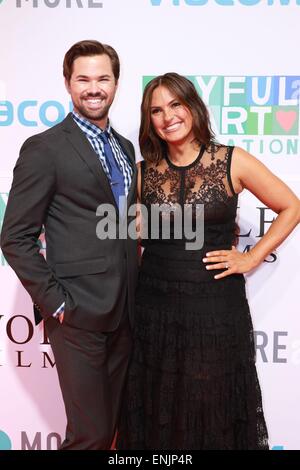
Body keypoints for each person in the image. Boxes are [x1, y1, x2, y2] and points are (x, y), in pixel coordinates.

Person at [116, 72, 300, 450]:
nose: (167, 116)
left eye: (175, 104)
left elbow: (291, 206)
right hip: (155, 311)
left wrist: (251, 258)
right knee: (157, 405)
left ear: (193, 107)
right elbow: (127, 235)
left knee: (212, 404)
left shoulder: (233, 161)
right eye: (156, 110)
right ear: (148, 120)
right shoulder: (141, 173)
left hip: (215, 309)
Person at [0, 40, 138, 450]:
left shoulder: (124, 148)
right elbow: (15, 237)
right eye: (83, 79)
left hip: (125, 312)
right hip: (77, 315)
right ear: (67, 83)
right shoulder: (45, 148)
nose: (93, 88)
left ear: (115, 83)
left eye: (103, 79)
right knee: (89, 436)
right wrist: (56, 303)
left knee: (111, 431)